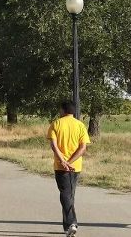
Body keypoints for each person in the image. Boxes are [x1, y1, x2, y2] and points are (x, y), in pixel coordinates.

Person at [47, 101, 91, 237]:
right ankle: (67, 227)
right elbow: (82, 148)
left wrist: (63, 161)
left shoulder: (56, 124)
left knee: (65, 195)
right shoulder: (80, 125)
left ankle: (72, 223)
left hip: (61, 167)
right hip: (75, 166)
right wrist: (70, 161)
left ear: (63, 110)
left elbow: (54, 146)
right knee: (69, 194)